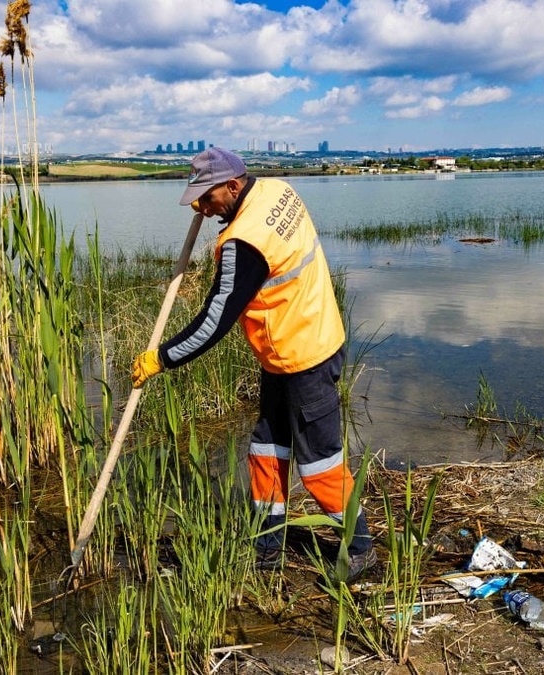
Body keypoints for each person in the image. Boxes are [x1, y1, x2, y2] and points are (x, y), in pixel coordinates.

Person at [131, 146, 376, 580]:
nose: (203, 210)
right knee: (266, 448)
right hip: (298, 343)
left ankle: (360, 548)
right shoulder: (278, 190)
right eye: (197, 201)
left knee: (319, 462)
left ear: (232, 185)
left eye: (208, 198)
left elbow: (214, 322)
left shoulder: (244, 244)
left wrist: (161, 359)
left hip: (305, 357)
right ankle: (267, 546)